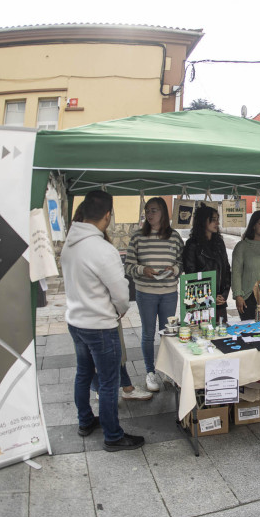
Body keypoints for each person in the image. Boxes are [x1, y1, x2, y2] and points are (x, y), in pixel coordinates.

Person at [61, 191, 144, 451]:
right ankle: (113, 435)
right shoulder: (103, 249)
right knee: (109, 382)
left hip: (76, 321)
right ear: (107, 215)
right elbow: (121, 293)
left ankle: (85, 421)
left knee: (83, 373)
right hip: (99, 325)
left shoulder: (69, 243)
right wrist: (120, 310)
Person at [124, 197, 184, 392]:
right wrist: (143, 270)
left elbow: (182, 263)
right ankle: (150, 372)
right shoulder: (137, 237)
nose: (149, 214)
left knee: (167, 333)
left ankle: (167, 370)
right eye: (147, 210)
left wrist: (174, 269)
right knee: (148, 333)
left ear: (163, 213)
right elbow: (129, 267)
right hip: (146, 293)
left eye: (154, 210)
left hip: (169, 292)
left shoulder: (174, 237)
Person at [183, 204, 231, 324]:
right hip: (200, 302)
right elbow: (191, 276)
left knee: (221, 336)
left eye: (217, 220)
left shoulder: (219, 243)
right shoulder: (192, 245)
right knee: (202, 337)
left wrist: (224, 295)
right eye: (213, 220)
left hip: (219, 301)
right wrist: (210, 296)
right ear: (203, 221)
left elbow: (226, 270)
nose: (217, 223)